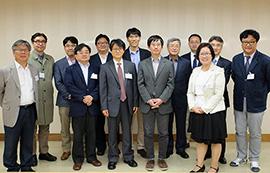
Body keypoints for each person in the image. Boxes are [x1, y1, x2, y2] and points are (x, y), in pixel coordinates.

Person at [230, 29, 270, 173]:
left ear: (256, 43)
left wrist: (260, 92)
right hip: (240, 101)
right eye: (245, 42)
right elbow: (236, 77)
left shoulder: (265, 60)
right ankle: (241, 156)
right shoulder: (236, 59)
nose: (248, 45)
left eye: (251, 42)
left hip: (257, 102)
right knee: (240, 131)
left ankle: (254, 159)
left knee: (255, 133)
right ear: (241, 43)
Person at [187, 43, 227, 173]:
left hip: (214, 111)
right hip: (197, 111)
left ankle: (214, 166)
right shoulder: (195, 71)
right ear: (198, 56)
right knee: (200, 140)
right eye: (202, 53)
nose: (204, 56)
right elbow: (190, 92)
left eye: (207, 53)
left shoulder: (219, 71)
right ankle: (200, 165)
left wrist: (204, 108)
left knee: (215, 141)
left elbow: (218, 94)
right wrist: (192, 106)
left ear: (212, 55)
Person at [99, 39, 138, 170]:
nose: (117, 51)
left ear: (123, 50)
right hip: (111, 105)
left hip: (127, 104)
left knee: (127, 132)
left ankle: (128, 156)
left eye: (120, 49)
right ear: (111, 50)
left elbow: (134, 86)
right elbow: (102, 88)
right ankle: (113, 157)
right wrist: (104, 106)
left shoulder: (130, 65)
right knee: (112, 133)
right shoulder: (105, 67)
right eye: (115, 49)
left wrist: (135, 103)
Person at [137, 35, 174, 171]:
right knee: (148, 133)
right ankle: (150, 158)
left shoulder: (168, 64)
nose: (156, 47)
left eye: (158, 45)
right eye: (153, 45)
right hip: (147, 104)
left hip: (163, 104)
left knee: (164, 133)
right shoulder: (142, 63)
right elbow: (140, 84)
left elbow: (170, 84)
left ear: (162, 47)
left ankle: (162, 158)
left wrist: (161, 99)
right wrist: (148, 99)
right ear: (149, 47)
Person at [0, 40, 38, 172]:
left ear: (29, 52)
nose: (23, 52)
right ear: (13, 52)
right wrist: (7, 105)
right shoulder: (5, 70)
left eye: (26, 50)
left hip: (30, 110)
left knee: (28, 140)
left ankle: (26, 165)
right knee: (11, 141)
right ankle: (11, 166)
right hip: (13, 111)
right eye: (19, 50)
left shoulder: (33, 69)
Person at [64, 43, 102, 170]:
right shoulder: (70, 69)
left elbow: (100, 86)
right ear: (75, 55)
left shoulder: (96, 68)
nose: (84, 54)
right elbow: (69, 86)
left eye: (87, 52)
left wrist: (92, 97)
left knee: (92, 133)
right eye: (81, 52)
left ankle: (92, 157)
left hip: (92, 106)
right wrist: (83, 97)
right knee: (78, 134)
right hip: (77, 106)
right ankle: (78, 159)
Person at [28, 33, 57, 166]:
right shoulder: (28, 58)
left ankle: (44, 152)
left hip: (47, 98)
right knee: (32, 128)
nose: (40, 43)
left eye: (43, 41)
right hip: (33, 98)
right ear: (33, 43)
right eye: (37, 41)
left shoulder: (50, 59)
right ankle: (32, 154)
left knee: (45, 126)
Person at [123, 27, 151, 158]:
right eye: (131, 37)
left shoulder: (146, 53)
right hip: (127, 92)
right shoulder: (122, 53)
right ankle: (126, 146)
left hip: (143, 92)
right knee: (126, 121)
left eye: (136, 36)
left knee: (142, 121)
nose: (134, 39)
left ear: (139, 38)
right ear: (127, 39)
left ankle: (141, 146)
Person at [204, 36, 231, 164]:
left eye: (218, 45)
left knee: (219, 128)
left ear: (221, 47)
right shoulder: (202, 61)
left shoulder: (227, 64)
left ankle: (221, 155)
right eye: (212, 45)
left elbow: (221, 83)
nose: (215, 47)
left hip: (220, 101)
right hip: (204, 102)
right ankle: (208, 153)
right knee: (207, 127)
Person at [164, 38, 192, 159]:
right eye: (172, 46)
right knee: (167, 125)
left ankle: (181, 148)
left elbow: (189, 81)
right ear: (167, 47)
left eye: (176, 46)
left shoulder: (186, 63)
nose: (174, 48)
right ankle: (168, 148)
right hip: (166, 99)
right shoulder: (162, 61)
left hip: (181, 98)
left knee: (181, 124)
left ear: (179, 48)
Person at [53, 36, 78, 160]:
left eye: (73, 45)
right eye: (68, 45)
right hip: (64, 100)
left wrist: (78, 96)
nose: (70, 48)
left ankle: (80, 149)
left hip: (79, 101)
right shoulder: (58, 64)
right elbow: (58, 82)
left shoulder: (82, 61)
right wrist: (68, 95)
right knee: (65, 126)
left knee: (80, 126)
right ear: (64, 48)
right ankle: (66, 149)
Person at [90, 34, 112, 156]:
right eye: (99, 43)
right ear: (96, 45)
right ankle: (101, 146)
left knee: (114, 124)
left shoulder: (115, 57)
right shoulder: (91, 59)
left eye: (105, 43)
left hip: (114, 96)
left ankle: (114, 146)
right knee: (98, 123)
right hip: (97, 97)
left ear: (108, 45)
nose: (102, 45)